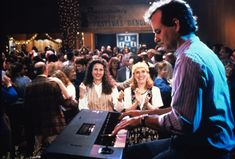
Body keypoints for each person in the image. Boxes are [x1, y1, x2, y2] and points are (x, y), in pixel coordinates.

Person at [112, 1, 235, 159]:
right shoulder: (203, 50)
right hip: (212, 142)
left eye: (158, 31)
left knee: (129, 155)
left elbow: (182, 123)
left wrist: (141, 120)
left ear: (176, 25)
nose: (155, 38)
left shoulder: (188, 58)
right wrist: (145, 113)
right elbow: (184, 110)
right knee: (133, 152)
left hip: (203, 149)